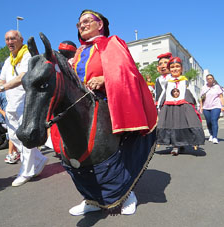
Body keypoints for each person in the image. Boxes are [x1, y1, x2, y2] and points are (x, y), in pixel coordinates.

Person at [67, 9, 157, 216]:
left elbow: (128, 72)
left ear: (100, 24)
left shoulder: (112, 43)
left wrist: (104, 80)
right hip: (81, 112)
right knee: (79, 156)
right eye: (79, 23)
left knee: (116, 154)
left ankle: (127, 194)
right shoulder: (79, 52)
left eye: (87, 21)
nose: (82, 25)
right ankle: (91, 198)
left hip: (108, 105)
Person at [0, 30, 48, 187]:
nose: (9, 41)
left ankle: (26, 171)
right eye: (7, 39)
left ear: (20, 39)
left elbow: (21, 78)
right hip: (11, 104)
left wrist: (0, 89)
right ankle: (38, 159)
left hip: (26, 103)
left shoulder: (27, 56)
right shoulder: (8, 61)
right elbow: (1, 80)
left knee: (25, 137)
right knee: (14, 136)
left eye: (13, 38)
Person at [157, 57, 205, 155]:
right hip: (170, 107)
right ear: (170, 69)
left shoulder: (185, 81)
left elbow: (192, 92)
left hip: (184, 106)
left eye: (177, 66)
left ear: (182, 69)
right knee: (173, 125)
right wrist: (159, 105)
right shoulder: (168, 82)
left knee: (185, 124)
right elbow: (163, 93)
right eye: (172, 67)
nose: (175, 69)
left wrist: (197, 104)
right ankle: (175, 146)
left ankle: (185, 143)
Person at [0, 91, 20, 164]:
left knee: (13, 134)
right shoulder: (1, 93)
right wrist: (4, 113)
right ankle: (10, 154)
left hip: (15, 116)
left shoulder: (13, 90)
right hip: (7, 118)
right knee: (12, 134)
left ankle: (15, 153)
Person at [199, 74, 224, 144]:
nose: (210, 80)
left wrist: (222, 106)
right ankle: (211, 134)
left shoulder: (217, 87)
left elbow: (221, 97)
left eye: (211, 78)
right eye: (208, 79)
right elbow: (201, 98)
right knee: (208, 122)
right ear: (206, 80)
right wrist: (201, 107)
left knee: (214, 120)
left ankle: (215, 137)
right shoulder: (204, 87)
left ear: (213, 79)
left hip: (216, 106)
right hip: (206, 107)